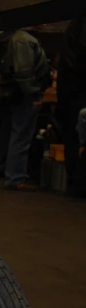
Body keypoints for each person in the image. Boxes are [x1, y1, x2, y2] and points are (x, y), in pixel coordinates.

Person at [0, 29, 51, 191]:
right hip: (23, 94)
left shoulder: (11, 38)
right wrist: (34, 93)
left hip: (10, 93)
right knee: (20, 136)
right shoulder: (23, 40)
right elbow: (24, 72)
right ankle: (14, 177)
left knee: (7, 133)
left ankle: (3, 171)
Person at [57, 16, 86, 195]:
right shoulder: (81, 26)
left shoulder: (75, 26)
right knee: (77, 137)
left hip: (69, 92)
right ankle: (79, 183)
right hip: (77, 92)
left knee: (71, 137)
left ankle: (75, 182)